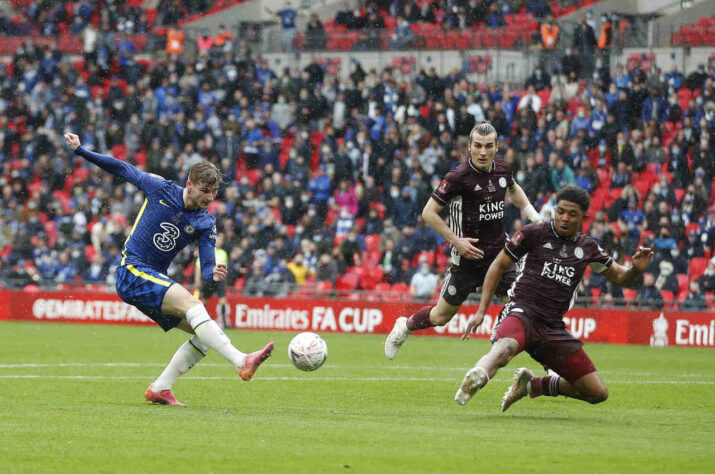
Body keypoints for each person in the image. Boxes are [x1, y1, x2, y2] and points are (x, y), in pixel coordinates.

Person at [63, 133, 274, 407]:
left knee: (205, 334)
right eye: (204, 190)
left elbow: (207, 264)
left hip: (150, 279)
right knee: (193, 305)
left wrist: (213, 274)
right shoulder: (160, 188)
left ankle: (161, 388)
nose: (209, 197)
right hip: (132, 270)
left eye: (213, 192)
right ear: (189, 184)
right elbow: (121, 168)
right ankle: (240, 361)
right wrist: (81, 151)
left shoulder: (205, 223)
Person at [453, 185, 653, 410]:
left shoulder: (588, 248)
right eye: (561, 211)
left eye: (572, 214)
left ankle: (533, 386)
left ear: (584, 217)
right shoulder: (534, 233)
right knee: (504, 349)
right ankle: (478, 374)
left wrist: (636, 269)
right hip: (522, 313)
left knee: (597, 392)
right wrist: (481, 311)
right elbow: (497, 266)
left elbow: (620, 277)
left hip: (553, 328)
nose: (565, 218)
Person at [384, 122, 542, 359]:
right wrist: (457, 241)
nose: (482, 152)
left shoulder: (503, 170)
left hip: (500, 256)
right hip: (466, 260)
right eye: (477, 146)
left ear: (497, 147)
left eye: (488, 146)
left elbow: (513, 189)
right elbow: (428, 212)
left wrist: (534, 217)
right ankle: (404, 326)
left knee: (522, 307)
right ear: (469, 147)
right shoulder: (458, 177)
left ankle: (548, 366)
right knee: (440, 317)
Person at [193, 233, 231, 329]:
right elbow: (198, 266)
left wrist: (225, 282)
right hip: (209, 278)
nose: (220, 241)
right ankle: (201, 320)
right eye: (219, 239)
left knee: (223, 300)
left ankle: (224, 322)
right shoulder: (208, 250)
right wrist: (197, 280)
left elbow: (225, 269)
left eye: (222, 240)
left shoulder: (223, 253)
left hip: (220, 280)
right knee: (204, 300)